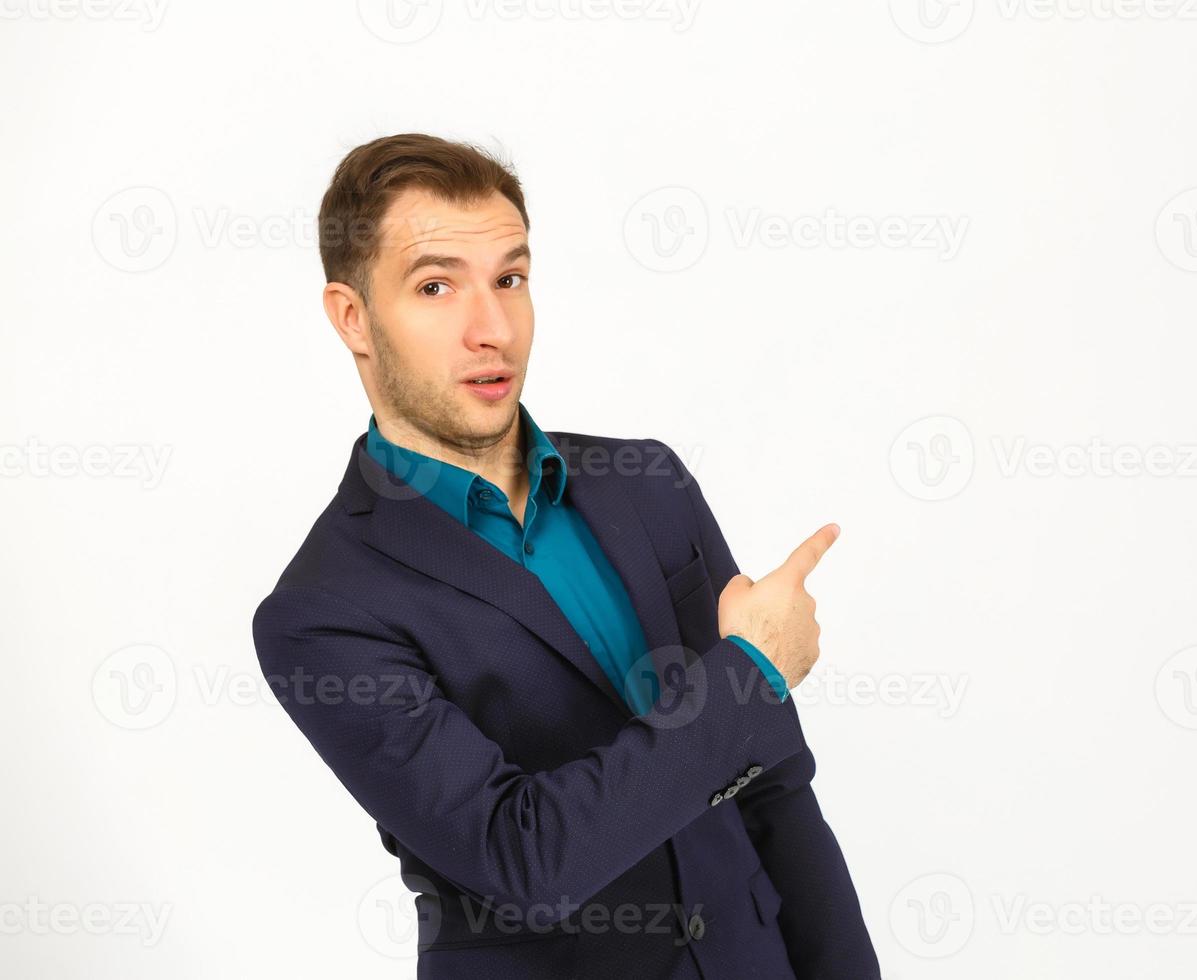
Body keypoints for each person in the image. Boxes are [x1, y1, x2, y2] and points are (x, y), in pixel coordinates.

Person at [252, 132, 881, 979]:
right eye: (436, 286)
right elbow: (524, 862)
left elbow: (772, 786)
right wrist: (748, 672)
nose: (492, 328)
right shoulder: (322, 612)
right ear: (352, 318)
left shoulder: (648, 483)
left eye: (510, 278)